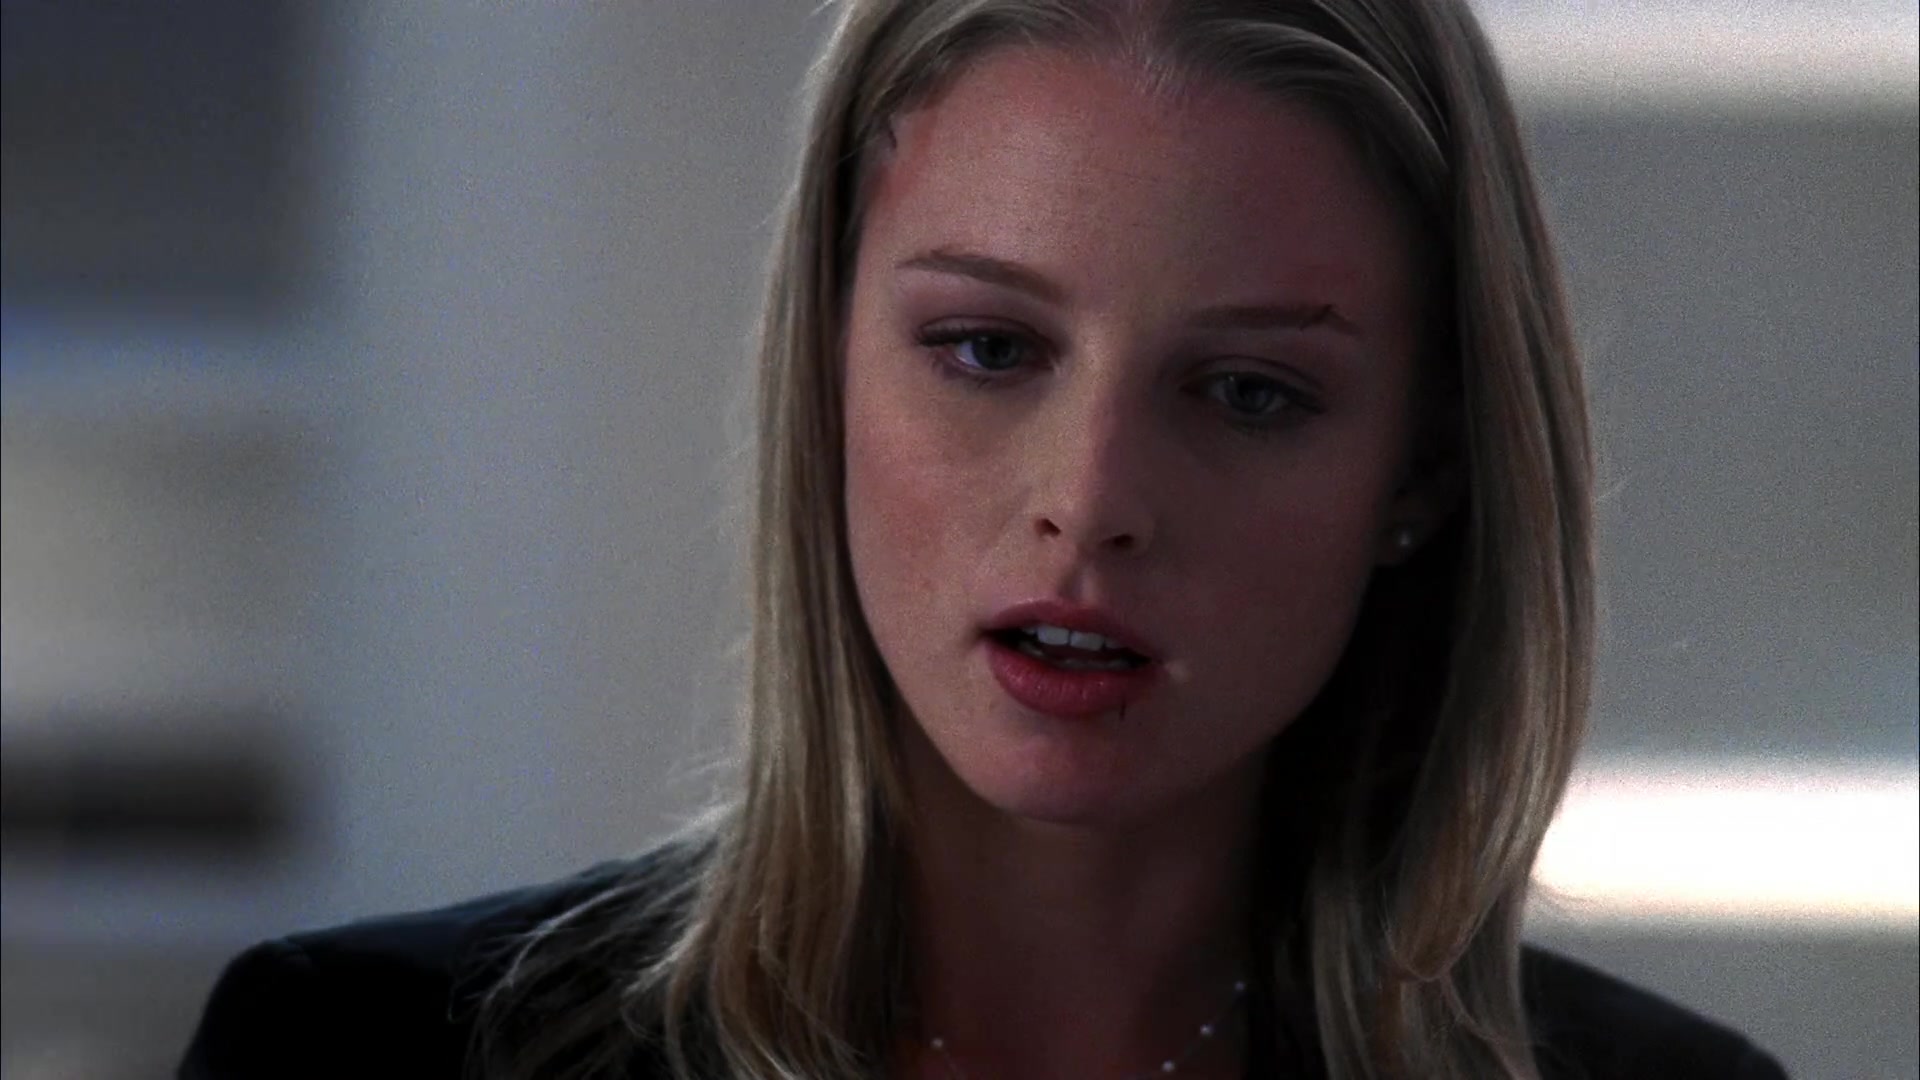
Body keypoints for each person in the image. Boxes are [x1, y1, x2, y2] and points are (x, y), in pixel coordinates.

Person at [179, 1, 1792, 1078]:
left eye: (1249, 392)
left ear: (1421, 470)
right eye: (987, 349)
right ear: (826, 366)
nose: (1090, 499)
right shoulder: (362, 1053)